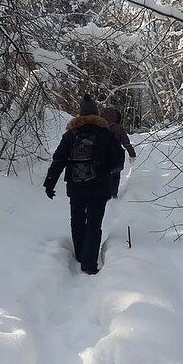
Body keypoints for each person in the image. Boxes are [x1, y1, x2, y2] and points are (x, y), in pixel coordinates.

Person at [44, 95, 124, 274]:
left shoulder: (70, 134)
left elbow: (58, 160)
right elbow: (118, 160)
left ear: (80, 114)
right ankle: (89, 264)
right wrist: (107, 171)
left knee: (77, 221)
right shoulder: (106, 134)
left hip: (76, 186)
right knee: (94, 224)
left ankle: (80, 254)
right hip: (99, 187)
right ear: (97, 114)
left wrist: (49, 183)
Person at [100, 105, 136, 199]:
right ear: (116, 116)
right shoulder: (118, 128)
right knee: (116, 176)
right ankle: (114, 194)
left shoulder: (99, 127)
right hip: (117, 158)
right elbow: (126, 143)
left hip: (103, 158)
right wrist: (132, 154)